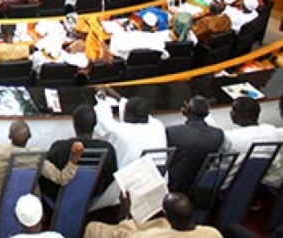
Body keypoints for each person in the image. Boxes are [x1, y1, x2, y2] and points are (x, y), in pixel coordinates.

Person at [0, 120, 84, 215]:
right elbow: (61, 178)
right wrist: (74, 158)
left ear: (9, 136)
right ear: (30, 137)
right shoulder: (36, 157)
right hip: (26, 209)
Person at [40, 104, 118, 205]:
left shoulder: (59, 147)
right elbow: (111, 178)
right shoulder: (107, 149)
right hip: (93, 201)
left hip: (59, 203)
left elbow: (44, 178)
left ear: (74, 124)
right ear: (95, 124)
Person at [85, 192, 223, 238]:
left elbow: (128, 235)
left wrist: (126, 213)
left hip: (132, 232)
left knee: (92, 227)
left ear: (171, 218)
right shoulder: (213, 233)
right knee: (159, 222)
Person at [165, 96, 224, 194]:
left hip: (176, 189)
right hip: (203, 191)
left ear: (186, 111)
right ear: (208, 113)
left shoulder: (172, 132)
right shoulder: (218, 134)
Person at [221, 96, 283, 186]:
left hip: (237, 184)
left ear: (244, 115)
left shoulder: (231, 137)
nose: (231, 113)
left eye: (233, 110)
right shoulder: (271, 130)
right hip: (265, 182)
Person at [95, 95, 167, 169]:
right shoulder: (157, 126)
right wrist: (117, 97)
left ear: (128, 114)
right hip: (158, 178)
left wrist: (101, 100)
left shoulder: (119, 131)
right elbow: (141, 110)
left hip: (129, 179)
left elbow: (102, 121)